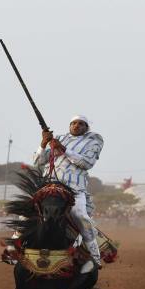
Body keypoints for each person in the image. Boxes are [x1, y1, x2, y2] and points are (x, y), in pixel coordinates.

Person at [33, 115, 104, 273]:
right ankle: (14, 248)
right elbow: (38, 162)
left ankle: (95, 256)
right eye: (73, 123)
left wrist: (63, 149)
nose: (76, 126)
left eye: (80, 124)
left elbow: (86, 163)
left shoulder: (94, 140)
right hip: (49, 186)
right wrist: (43, 144)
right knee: (26, 210)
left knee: (80, 216)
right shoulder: (58, 138)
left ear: (86, 128)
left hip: (74, 190)